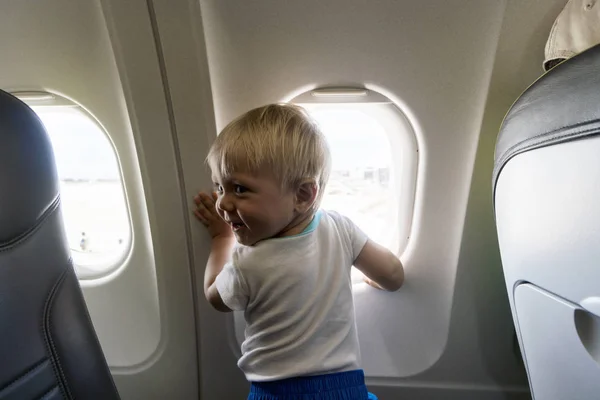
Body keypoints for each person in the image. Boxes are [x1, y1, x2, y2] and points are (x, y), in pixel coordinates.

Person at [193, 104, 404, 400]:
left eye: (239, 189)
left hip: (276, 393)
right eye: (219, 186)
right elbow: (393, 275)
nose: (222, 204)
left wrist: (220, 237)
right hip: (346, 391)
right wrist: (376, 279)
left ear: (302, 195)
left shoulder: (248, 262)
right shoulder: (341, 229)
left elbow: (215, 297)